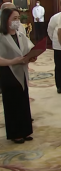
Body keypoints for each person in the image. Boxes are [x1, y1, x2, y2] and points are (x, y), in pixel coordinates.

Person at [0, 8, 35, 143]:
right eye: (14, 18)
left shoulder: (20, 34)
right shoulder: (1, 36)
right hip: (7, 72)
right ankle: (15, 133)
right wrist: (11, 61)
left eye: (18, 18)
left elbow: (28, 50)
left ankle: (25, 130)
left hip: (22, 70)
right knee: (12, 103)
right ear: (6, 20)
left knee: (23, 101)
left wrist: (32, 56)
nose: (17, 21)